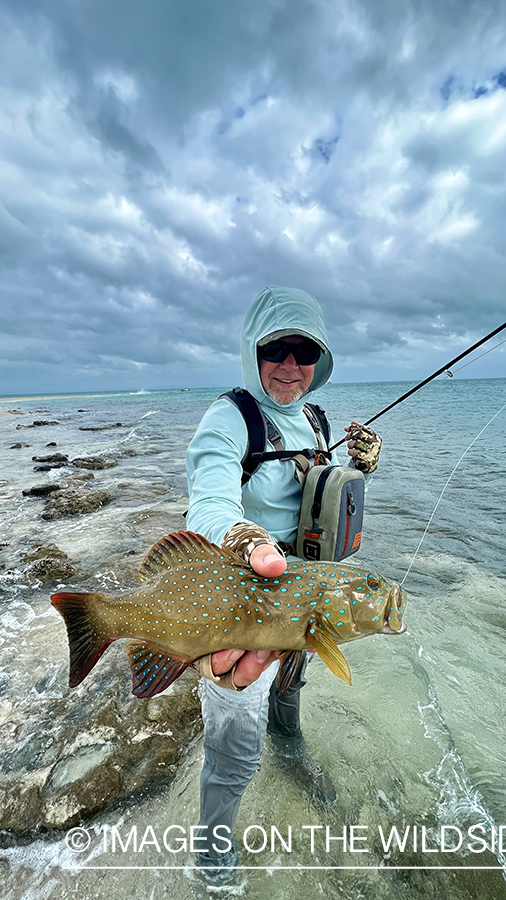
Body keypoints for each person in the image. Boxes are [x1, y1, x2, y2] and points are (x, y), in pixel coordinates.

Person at [186, 286, 381, 882]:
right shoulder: (230, 417)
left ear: (319, 360)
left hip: (305, 604)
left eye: (305, 352)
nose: (291, 366)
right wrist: (242, 535)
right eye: (277, 349)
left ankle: (291, 753)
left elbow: (313, 490)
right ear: (253, 350)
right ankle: (213, 867)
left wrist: (357, 466)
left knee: (289, 696)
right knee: (234, 751)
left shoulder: (317, 417)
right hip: (242, 602)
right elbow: (208, 500)